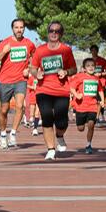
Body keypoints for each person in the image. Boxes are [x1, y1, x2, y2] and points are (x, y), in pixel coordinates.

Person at [29, 21, 77, 160]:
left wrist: (66, 72)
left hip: (61, 91)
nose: (54, 33)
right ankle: (50, 149)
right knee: (47, 117)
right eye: (51, 31)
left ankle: (60, 135)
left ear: (61, 34)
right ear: (48, 32)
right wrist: (36, 74)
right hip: (43, 90)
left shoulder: (66, 50)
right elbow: (33, 67)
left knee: (62, 122)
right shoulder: (41, 50)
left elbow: (74, 69)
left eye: (57, 31)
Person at [0, 19, 36, 149]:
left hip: (20, 80)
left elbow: (35, 58)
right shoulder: (5, 43)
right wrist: (4, 52)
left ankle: (13, 133)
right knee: (4, 111)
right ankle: (2, 134)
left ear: (24, 29)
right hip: (5, 81)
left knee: (20, 106)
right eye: (16, 27)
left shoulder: (29, 44)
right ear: (12, 29)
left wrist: (29, 69)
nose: (19, 30)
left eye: (21, 27)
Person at [70, 58, 105, 153]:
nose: (91, 67)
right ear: (84, 68)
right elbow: (72, 87)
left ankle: (88, 145)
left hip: (92, 106)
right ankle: (82, 122)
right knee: (80, 128)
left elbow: (100, 90)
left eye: (92, 66)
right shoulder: (80, 77)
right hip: (81, 107)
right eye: (88, 66)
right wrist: (77, 95)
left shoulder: (96, 79)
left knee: (91, 125)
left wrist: (102, 100)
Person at [90, 44, 106, 121]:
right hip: (91, 83)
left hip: (101, 83)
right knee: (92, 101)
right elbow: (84, 70)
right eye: (92, 51)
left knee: (99, 100)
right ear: (91, 51)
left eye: (95, 50)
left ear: (97, 51)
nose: (94, 52)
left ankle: (97, 117)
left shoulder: (102, 60)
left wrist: (100, 74)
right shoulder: (89, 61)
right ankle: (94, 115)